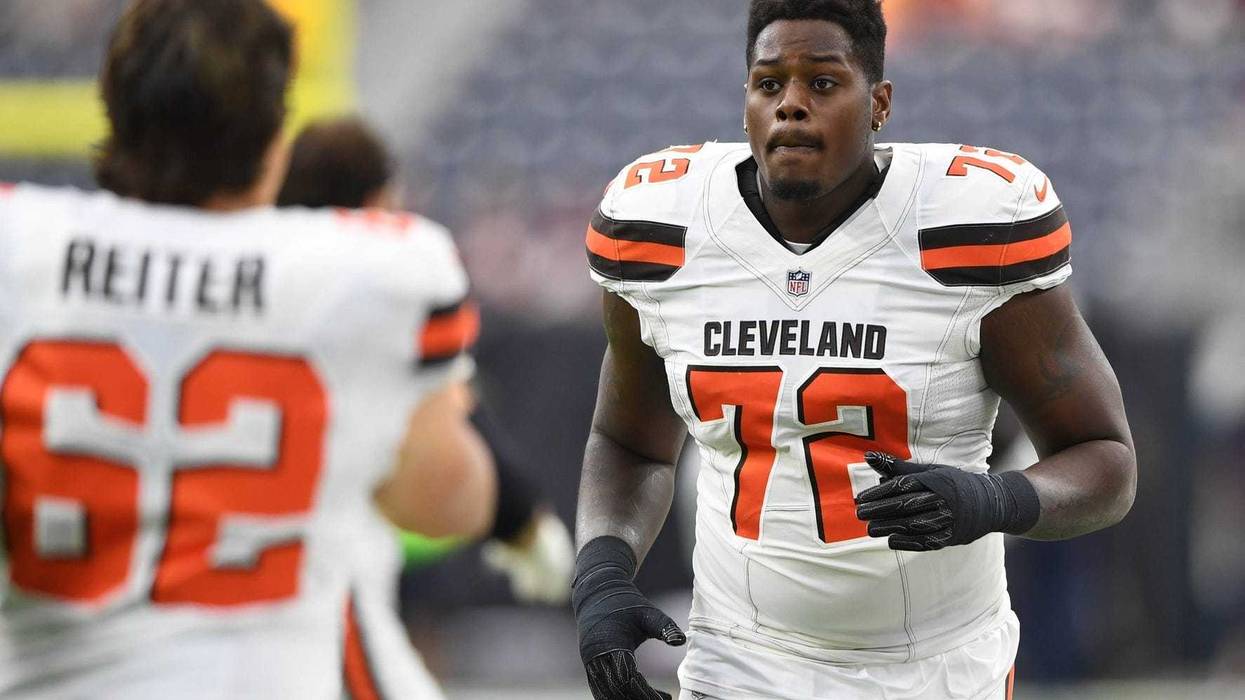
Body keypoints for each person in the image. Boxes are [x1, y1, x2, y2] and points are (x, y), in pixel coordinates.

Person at [570, 1, 1137, 699]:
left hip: (935, 669)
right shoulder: (662, 226)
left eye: (824, 83)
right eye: (770, 84)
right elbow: (628, 442)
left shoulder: (969, 226)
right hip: (739, 660)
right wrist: (601, 576)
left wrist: (996, 499)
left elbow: (1105, 460)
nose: (791, 108)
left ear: (879, 104)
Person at [0, 1, 495, 697]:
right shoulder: (364, 273)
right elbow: (450, 502)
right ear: (272, 137)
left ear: (113, 109)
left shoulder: (20, 249)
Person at [278, 115, 575, 605]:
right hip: (368, 528)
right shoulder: (399, 269)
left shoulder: (247, 267)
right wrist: (525, 521)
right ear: (378, 197)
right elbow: (459, 412)